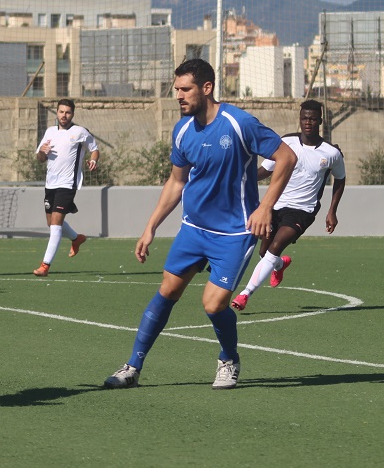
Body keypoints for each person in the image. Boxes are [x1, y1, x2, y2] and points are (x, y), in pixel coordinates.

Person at [103, 58, 296, 391]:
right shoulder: (182, 130)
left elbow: (287, 157)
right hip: (193, 229)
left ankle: (229, 359)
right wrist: (150, 227)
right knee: (167, 290)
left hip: (234, 232)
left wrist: (265, 207)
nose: (178, 95)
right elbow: (176, 182)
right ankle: (132, 367)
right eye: (176, 89)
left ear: (207, 88)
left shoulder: (239, 123)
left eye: (185, 89)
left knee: (213, 304)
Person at [231, 100, 345, 311]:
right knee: (264, 252)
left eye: (312, 119)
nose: (308, 122)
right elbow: (265, 170)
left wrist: (332, 211)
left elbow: (340, 179)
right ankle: (280, 264)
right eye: (304, 118)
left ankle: (245, 294)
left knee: (275, 247)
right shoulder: (286, 143)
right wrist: (240, 177)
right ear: (300, 119)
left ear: (320, 121)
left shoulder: (331, 153)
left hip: (303, 211)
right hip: (275, 205)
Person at [33, 98, 99, 276]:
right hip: (50, 184)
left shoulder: (80, 132)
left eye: (68, 112)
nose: (64, 115)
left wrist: (93, 160)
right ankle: (76, 239)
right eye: (61, 112)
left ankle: (45, 265)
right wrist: (42, 152)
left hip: (68, 183)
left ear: (72, 114)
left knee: (55, 224)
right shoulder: (50, 131)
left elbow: (94, 149)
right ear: (57, 113)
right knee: (51, 222)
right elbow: (40, 158)